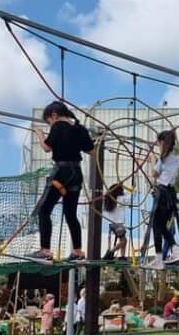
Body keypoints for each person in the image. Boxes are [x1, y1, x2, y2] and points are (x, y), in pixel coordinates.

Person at [33, 101, 96, 261]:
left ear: (54, 115)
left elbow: (47, 147)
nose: (50, 124)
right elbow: (91, 150)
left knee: (44, 210)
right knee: (70, 214)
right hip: (76, 174)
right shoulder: (79, 128)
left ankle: (45, 250)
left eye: (49, 121)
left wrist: (40, 135)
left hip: (62, 172)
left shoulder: (58, 126)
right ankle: (78, 251)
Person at [150, 130, 179, 265]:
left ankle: (161, 257)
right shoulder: (175, 157)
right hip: (170, 194)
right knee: (160, 225)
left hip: (162, 193)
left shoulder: (163, 158)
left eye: (158, 142)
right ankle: (172, 251)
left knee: (156, 225)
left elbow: (154, 174)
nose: (157, 145)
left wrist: (153, 160)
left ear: (162, 142)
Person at [102, 183, 128, 261]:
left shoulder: (109, 198)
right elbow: (130, 199)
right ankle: (110, 252)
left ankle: (122, 256)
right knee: (124, 240)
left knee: (123, 239)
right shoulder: (120, 199)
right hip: (118, 224)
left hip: (112, 223)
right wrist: (133, 189)